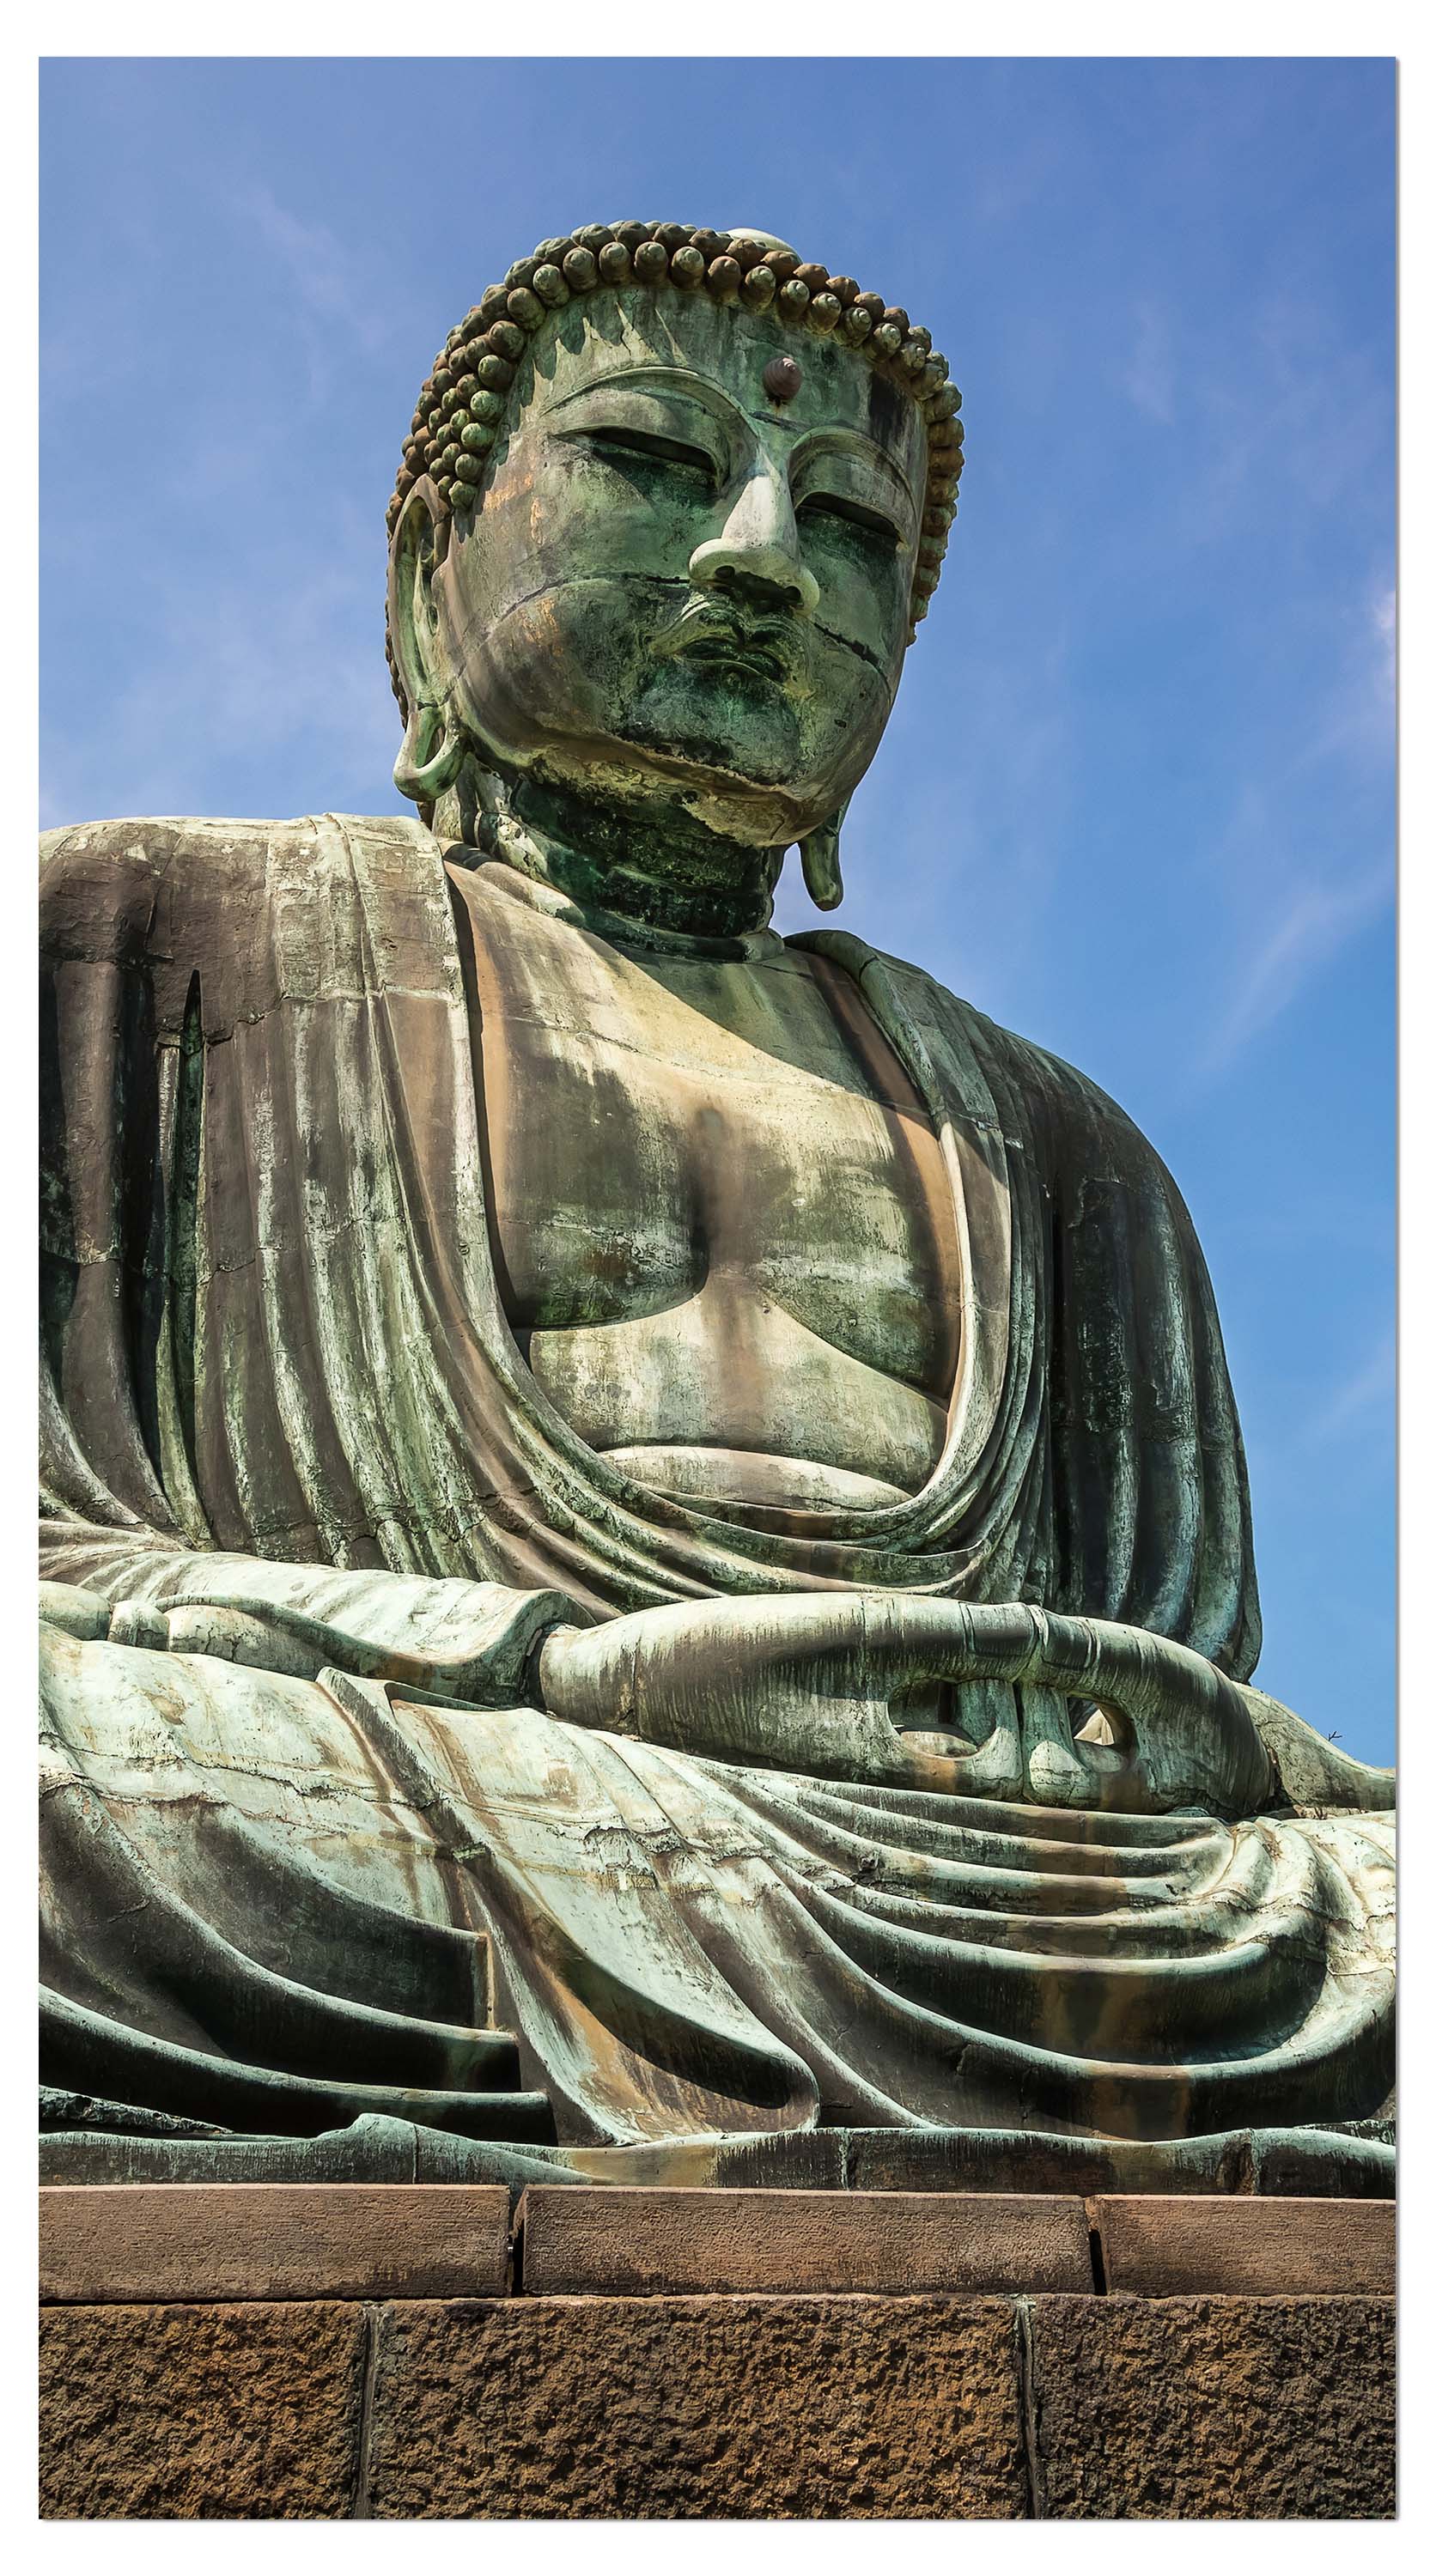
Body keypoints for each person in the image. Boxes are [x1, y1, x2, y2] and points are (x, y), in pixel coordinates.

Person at [40, 224, 1394, 2193]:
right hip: (438, 1779)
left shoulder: (1054, 1143)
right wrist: (545, 1671)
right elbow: (51, 1552)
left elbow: (1184, 1701)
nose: (761, 555)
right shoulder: (132, 940)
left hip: (1035, 1872)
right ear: (430, 567)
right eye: (653, 460)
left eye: (844, 523)